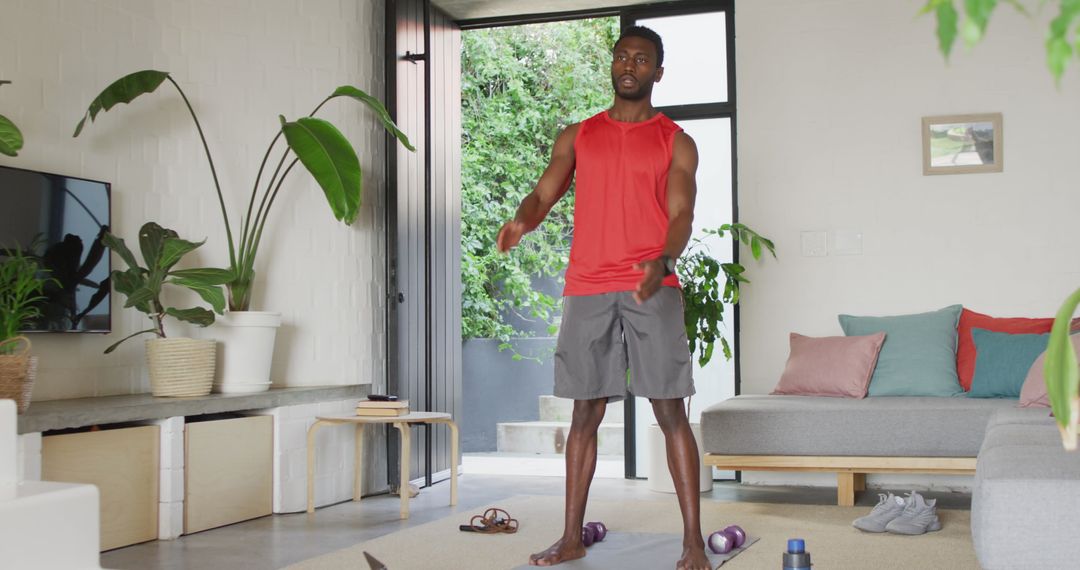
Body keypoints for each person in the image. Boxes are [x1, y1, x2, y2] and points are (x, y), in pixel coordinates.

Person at [495, 25, 707, 570]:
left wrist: (662, 260)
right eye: (621, 57)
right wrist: (523, 219)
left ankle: (692, 543)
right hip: (588, 285)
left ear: (658, 72)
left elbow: (681, 213)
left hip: (651, 284)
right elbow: (544, 191)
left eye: (641, 59)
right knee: (584, 412)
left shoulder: (675, 141)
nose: (629, 65)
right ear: (612, 66)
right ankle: (570, 537)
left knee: (669, 411)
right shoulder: (578, 135)